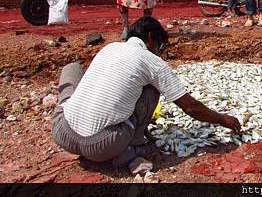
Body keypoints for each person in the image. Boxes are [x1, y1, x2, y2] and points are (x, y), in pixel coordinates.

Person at [51, 16, 241, 171]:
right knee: (152, 89)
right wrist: (222, 119)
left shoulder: (109, 47)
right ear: (150, 37)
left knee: (73, 68)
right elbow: (190, 107)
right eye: (160, 46)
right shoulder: (151, 61)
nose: (159, 52)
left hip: (62, 134)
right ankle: (133, 146)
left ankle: (86, 125)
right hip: (103, 146)